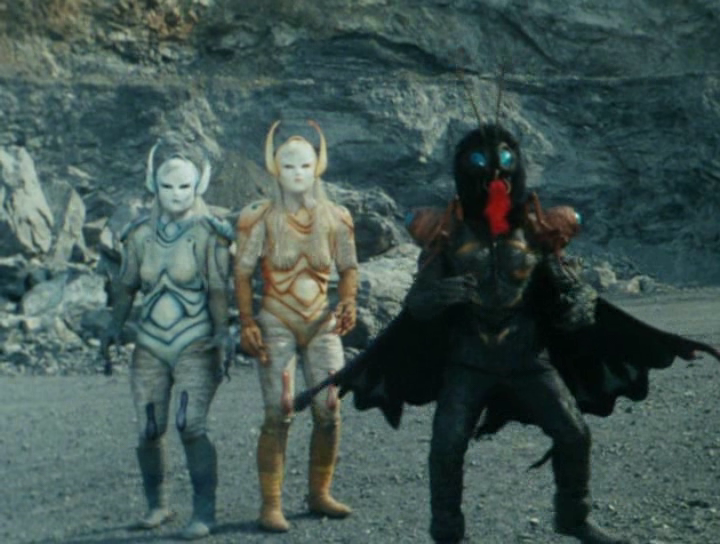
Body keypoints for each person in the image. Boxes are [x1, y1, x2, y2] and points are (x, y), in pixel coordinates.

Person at [293, 122, 720, 544]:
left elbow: (572, 302)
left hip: (528, 358)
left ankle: (573, 518)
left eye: (503, 164)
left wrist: (573, 297)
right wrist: (442, 293)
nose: (495, 175)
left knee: (573, 434)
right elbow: (418, 305)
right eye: (483, 164)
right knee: (446, 445)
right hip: (468, 362)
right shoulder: (450, 234)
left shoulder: (534, 233)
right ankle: (447, 534)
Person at [101, 137, 233, 540]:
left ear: (199, 186)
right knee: (149, 428)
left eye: (184, 186)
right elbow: (126, 285)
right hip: (150, 345)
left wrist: (223, 332)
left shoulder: (210, 234)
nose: (176, 194)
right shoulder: (139, 234)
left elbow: (218, 289)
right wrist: (112, 326)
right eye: (167, 185)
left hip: (196, 342)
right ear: (153, 185)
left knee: (190, 425)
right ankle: (157, 505)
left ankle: (204, 512)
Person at [233, 120, 359, 533]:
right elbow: (242, 274)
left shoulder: (337, 217)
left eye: (305, 165)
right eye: (288, 166)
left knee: (329, 407)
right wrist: (247, 321)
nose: (297, 173)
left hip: (321, 320)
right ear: (275, 169)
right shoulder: (259, 218)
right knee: (279, 410)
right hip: (277, 319)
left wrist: (349, 300)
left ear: (317, 167)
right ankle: (271, 504)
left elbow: (348, 267)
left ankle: (319, 493)